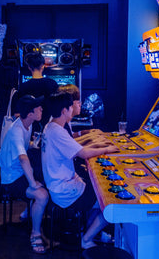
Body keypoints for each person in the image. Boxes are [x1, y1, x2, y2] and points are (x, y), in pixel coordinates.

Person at [41, 92, 119, 249]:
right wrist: (108, 148)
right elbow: (83, 153)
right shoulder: (58, 132)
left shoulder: (50, 127)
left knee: (99, 188)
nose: (73, 109)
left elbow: (78, 149)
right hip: (65, 191)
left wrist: (100, 147)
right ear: (64, 110)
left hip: (60, 185)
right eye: (71, 106)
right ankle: (87, 239)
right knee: (113, 201)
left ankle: (90, 231)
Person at [0, 95, 49, 254]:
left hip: (19, 172)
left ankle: (30, 211)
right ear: (30, 114)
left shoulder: (27, 124)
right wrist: (33, 183)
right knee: (42, 195)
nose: (41, 109)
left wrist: (33, 144)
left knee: (48, 178)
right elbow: (22, 158)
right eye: (38, 108)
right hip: (11, 179)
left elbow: (25, 150)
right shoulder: (16, 130)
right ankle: (35, 234)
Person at [15, 52, 59, 130]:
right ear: (42, 66)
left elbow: (19, 111)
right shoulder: (52, 84)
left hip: (29, 126)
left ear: (29, 67)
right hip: (50, 125)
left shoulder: (23, 87)